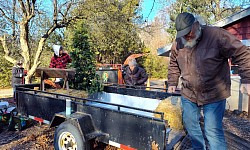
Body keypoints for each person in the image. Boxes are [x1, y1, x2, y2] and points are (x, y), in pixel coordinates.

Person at [167, 12, 250, 150]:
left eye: (189, 32)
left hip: (214, 93)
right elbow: (173, 64)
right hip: (189, 93)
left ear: (197, 24)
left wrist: (247, 78)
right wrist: (172, 82)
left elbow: (242, 53)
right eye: (183, 34)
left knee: (212, 131)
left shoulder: (217, 35)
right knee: (191, 126)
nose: (187, 37)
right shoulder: (178, 43)